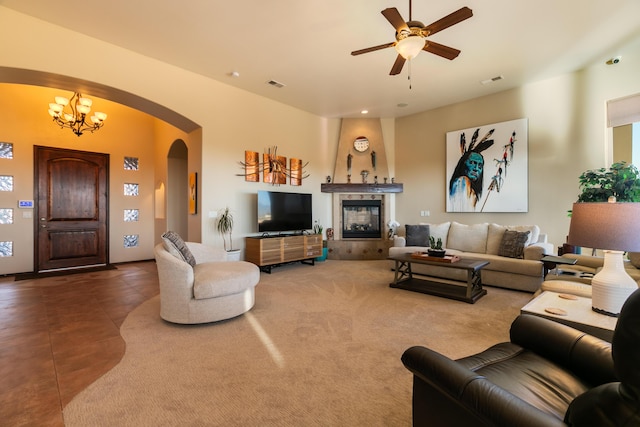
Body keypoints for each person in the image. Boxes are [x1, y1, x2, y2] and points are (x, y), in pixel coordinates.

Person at [449, 129, 494, 211]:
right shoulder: (463, 181)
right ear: (463, 164)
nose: (476, 169)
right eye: (472, 163)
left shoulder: (470, 188)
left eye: (480, 166)